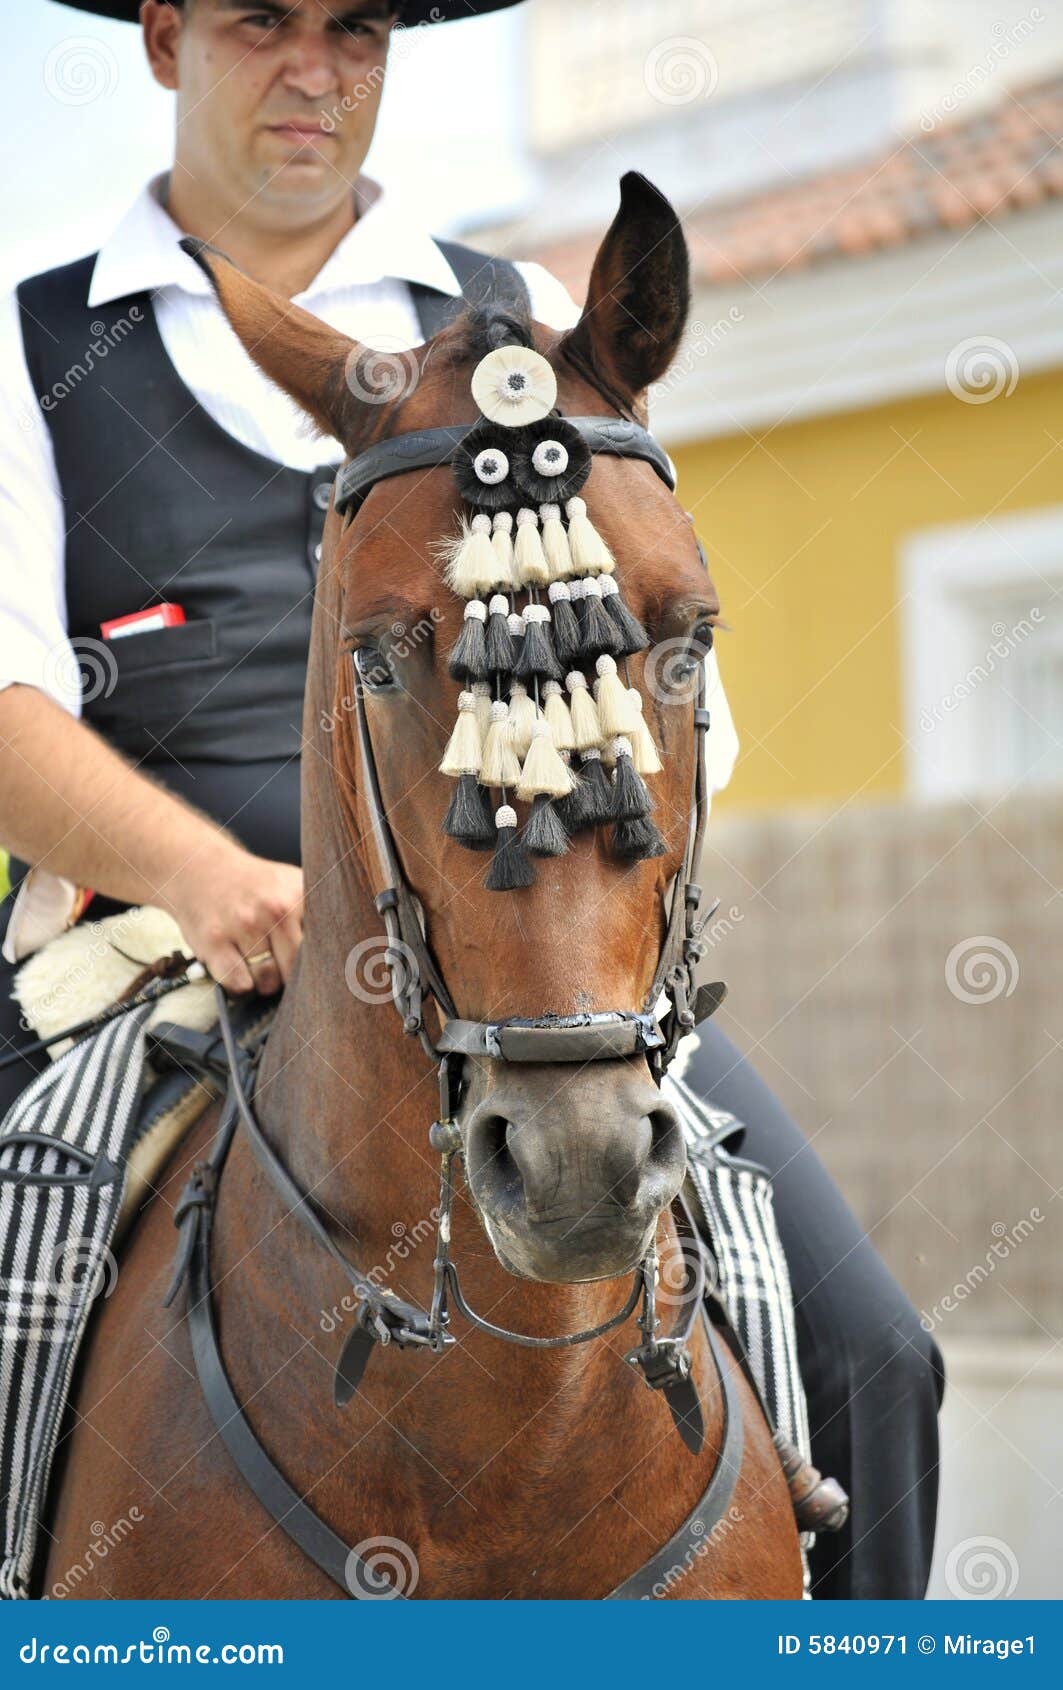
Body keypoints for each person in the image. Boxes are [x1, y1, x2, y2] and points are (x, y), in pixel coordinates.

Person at [0, 0, 942, 1597]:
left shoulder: (525, 325)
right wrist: (219, 881)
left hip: (520, 950)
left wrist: (580, 929)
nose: (316, 69)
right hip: (152, 940)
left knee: (874, 1355)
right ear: (164, 40)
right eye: (261, 22)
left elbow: (675, 706)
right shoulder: (35, 342)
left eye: (357, 28)